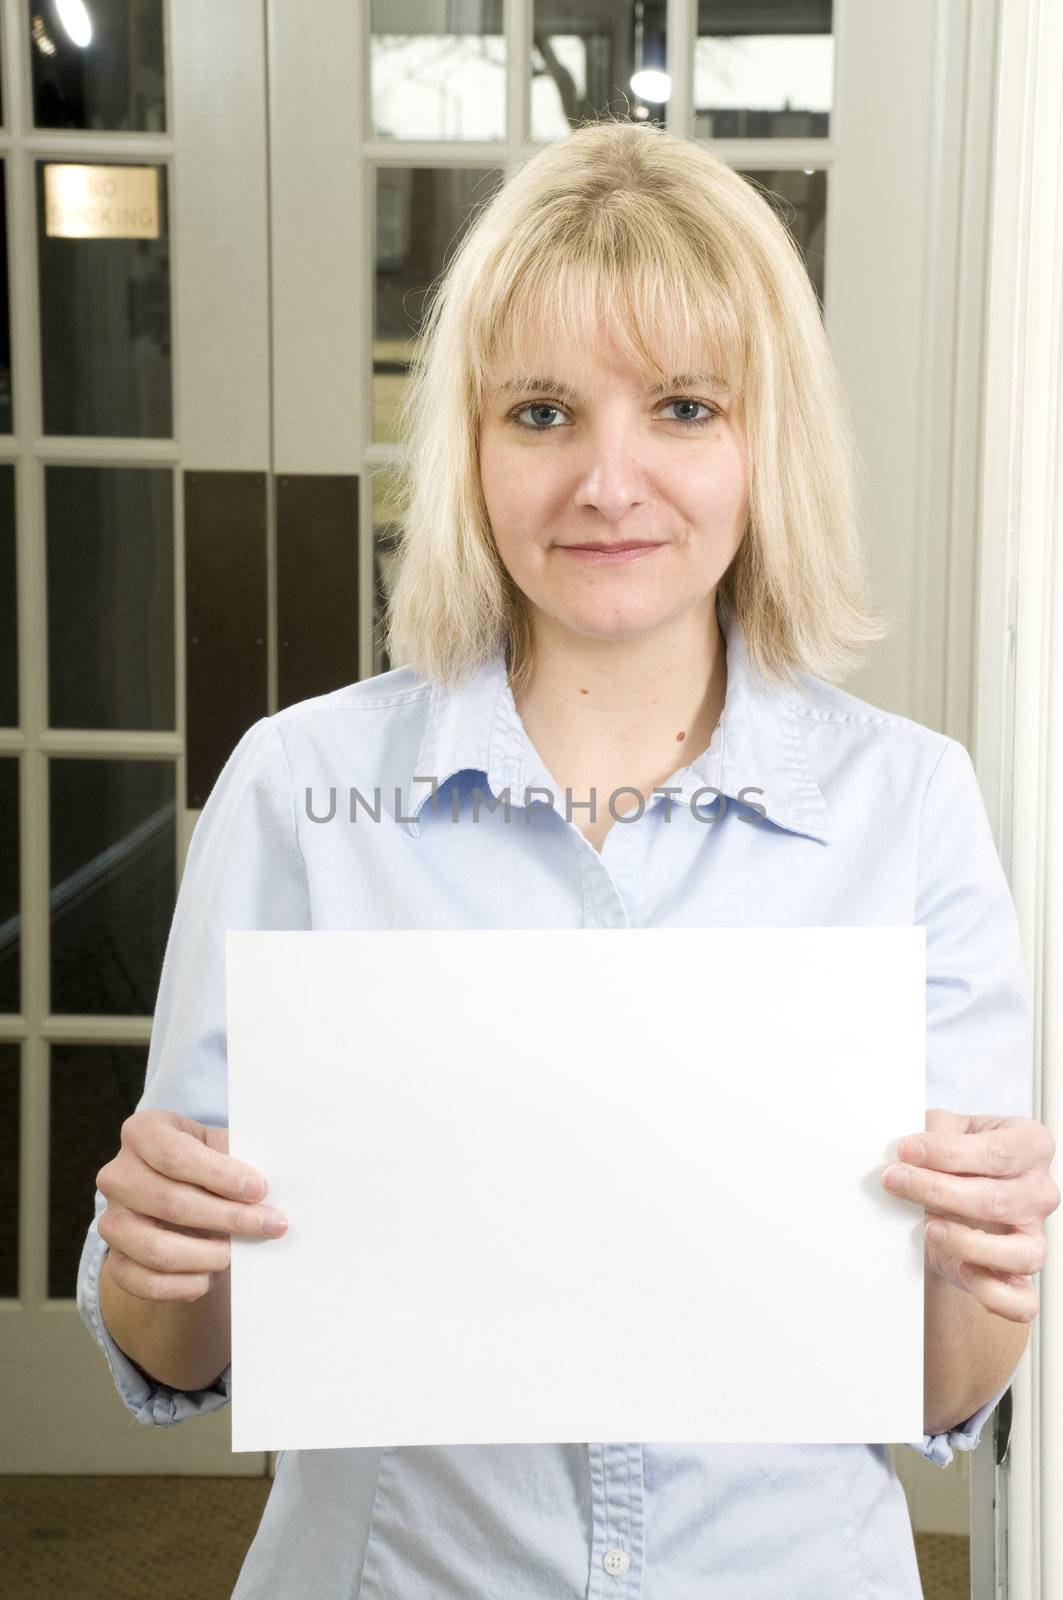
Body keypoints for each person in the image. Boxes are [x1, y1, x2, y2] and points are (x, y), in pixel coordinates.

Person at [77, 118, 1058, 1599]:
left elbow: (941, 1395)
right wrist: (160, 1262)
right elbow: (179, 1351)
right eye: (541, 412)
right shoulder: (300, 788)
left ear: (763, 441)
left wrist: (979, 1272)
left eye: (680, 407)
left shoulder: (909, 805)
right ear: (468, 443)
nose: (609, 483)